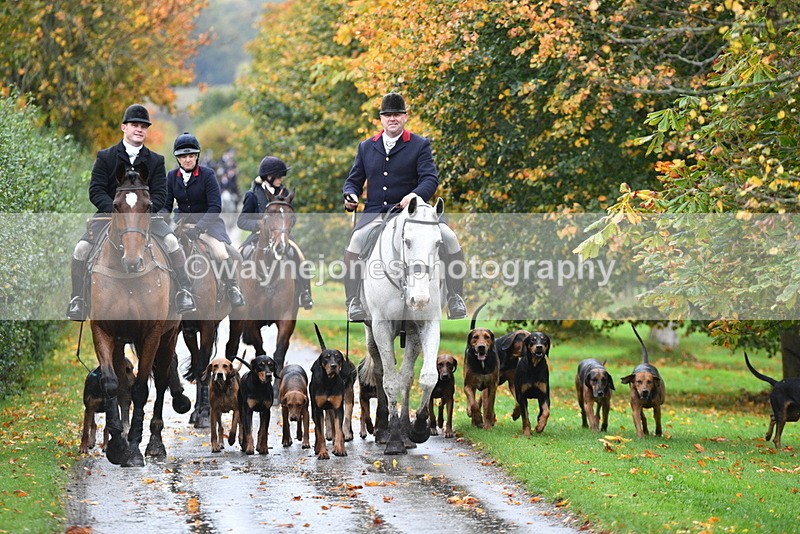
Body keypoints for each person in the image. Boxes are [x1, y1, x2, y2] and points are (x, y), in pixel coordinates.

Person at [342, 92, 467, 322]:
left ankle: (455, 297)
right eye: (388, 115)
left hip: (414, 213)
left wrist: (414, 195)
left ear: (405, 117)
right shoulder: (366, 147)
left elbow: (430, 179)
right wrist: (350, 194)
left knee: (449, 237)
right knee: (356, 241)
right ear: (381, 118)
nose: (392, 119)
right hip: (378, 214)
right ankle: (353, 301)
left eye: (397, 115)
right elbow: (354, 180)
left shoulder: (420, 144)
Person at [67, 104, 196, 321]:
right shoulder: (106, 156)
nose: (139, 129)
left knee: (173, 243)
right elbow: (95, 190)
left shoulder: (156, 160)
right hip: (110, 216)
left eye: (143, 126)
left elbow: (161, 193)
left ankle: (184, 292)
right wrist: (117, 211)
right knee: (80, 249)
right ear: (123, 127)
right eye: (135, 125)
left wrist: (141, 211)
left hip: (145, 217)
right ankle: (78, 299)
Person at [160, 132, 245, 308]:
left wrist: (198, 228)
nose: (188, 159)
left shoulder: (208, 174)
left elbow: (215, 207)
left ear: (197, 156)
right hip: (181, 226)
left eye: (191, 155)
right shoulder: (171, 176)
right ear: (178, 158)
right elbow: (167, 205)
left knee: (221, 252)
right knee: (165, 252)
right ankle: (178, 292)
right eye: (183, 156)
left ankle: (232, 287)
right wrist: (159, 219)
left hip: (208, 226)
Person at [237, 156, 314, 310]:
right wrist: (259, 224)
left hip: (282, 235)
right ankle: (237, 291)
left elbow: (293, 218)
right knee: (241, 254)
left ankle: (305, 293)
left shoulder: (284, 193)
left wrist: (285, 225)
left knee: (298, 256)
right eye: (279, 176)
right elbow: (241, 220)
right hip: (258, 237)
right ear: (269, 176)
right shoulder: (252, 195)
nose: (281, 179)